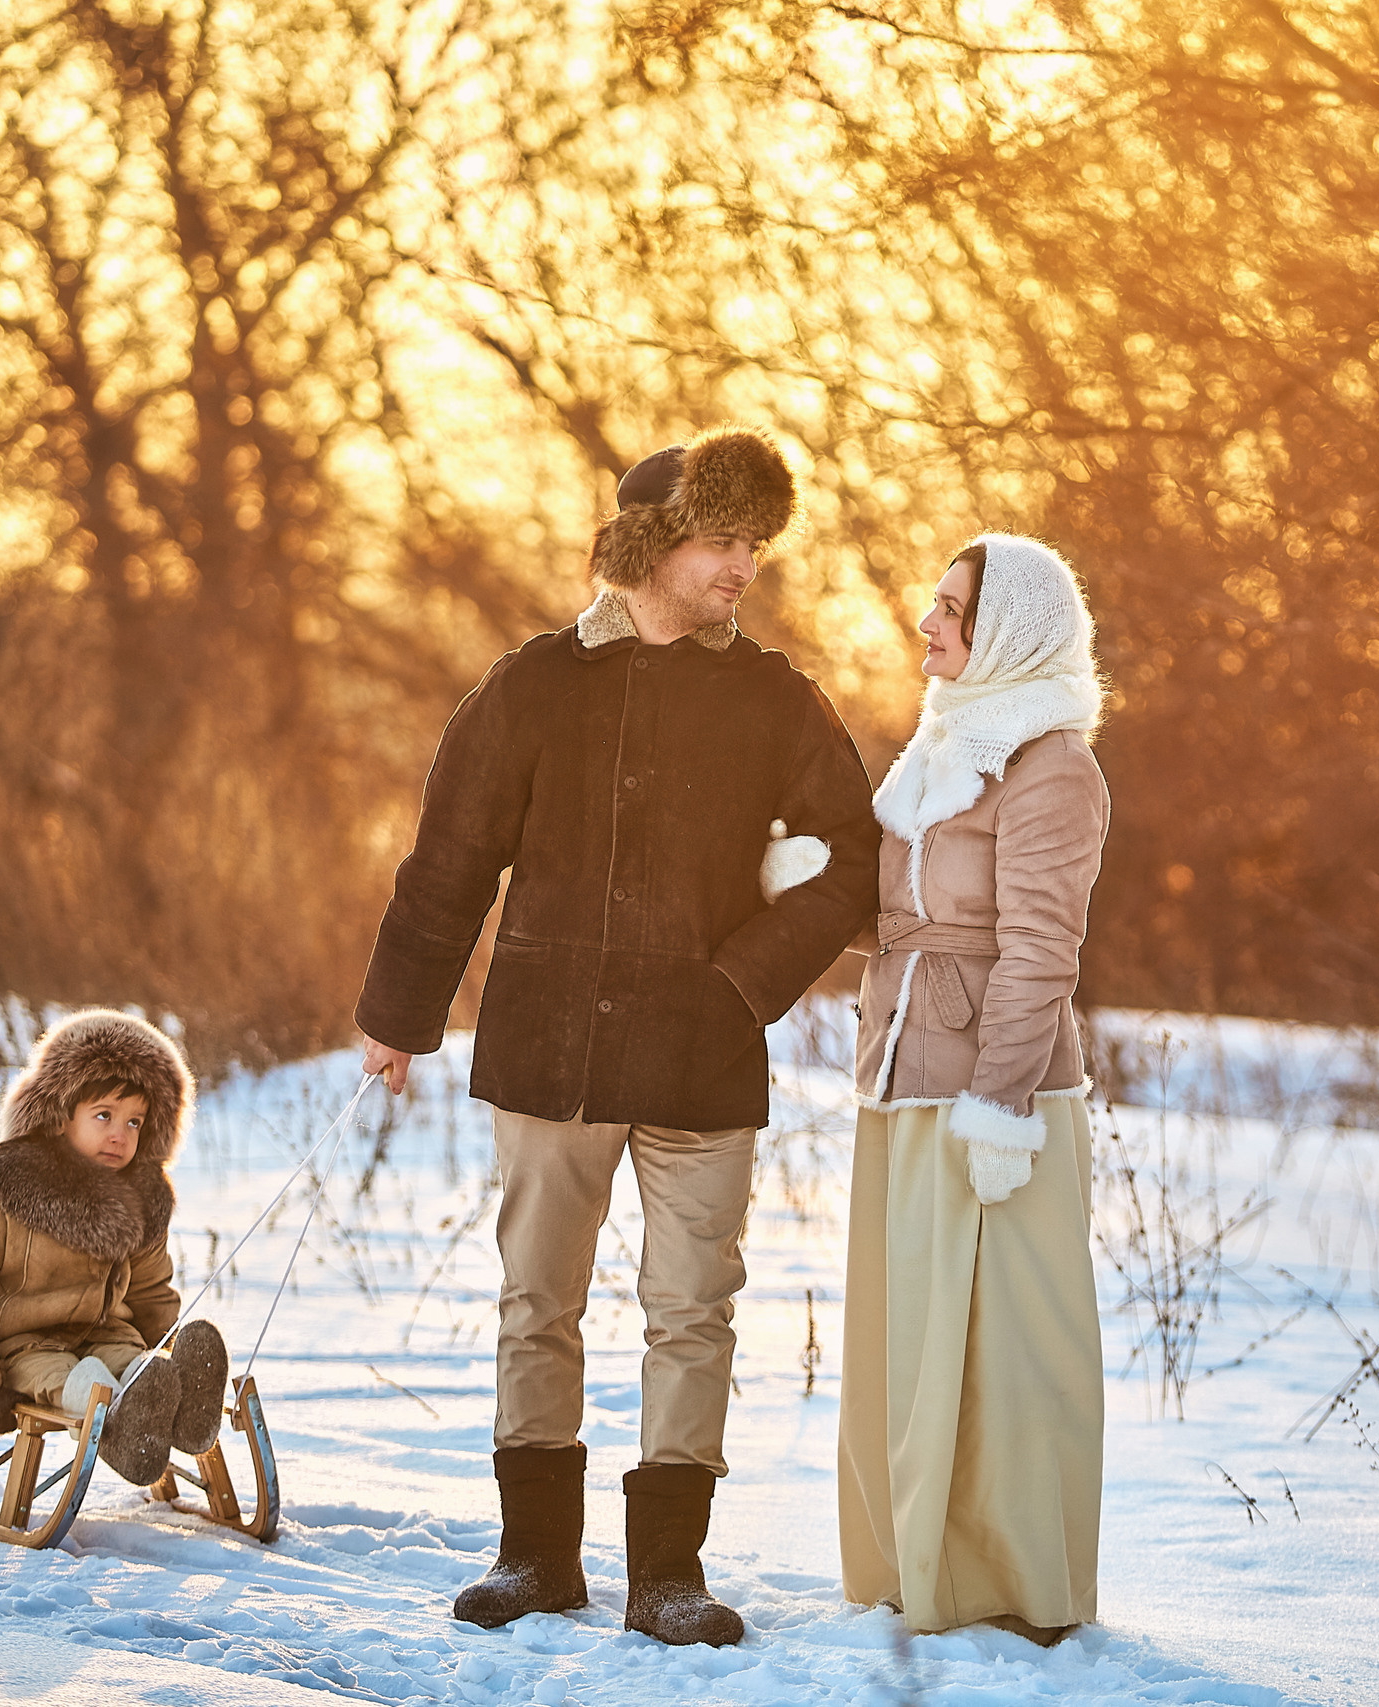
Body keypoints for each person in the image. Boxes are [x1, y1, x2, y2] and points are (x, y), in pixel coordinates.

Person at [356, 425, 880, 1647]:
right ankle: (534, 1556)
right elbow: (450, 858)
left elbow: (855, 859)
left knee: (693, 1310)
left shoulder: (773, 698)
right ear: (651, 545)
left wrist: (746, 979)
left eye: (755, 544)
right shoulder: (533, 685)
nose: (743, 567)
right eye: (723, 541)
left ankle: (670, 1576)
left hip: (702, 1050)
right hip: (551, 1045)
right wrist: (399, 1014)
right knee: (538, 1299)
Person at [838, 533, 1110, 1643]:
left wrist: (998, 1107)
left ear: (1009, 631)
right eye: (934, 602)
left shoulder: (1052, 766)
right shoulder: (941, 748)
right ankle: (921, 1569)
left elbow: (1041, 951)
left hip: (997, 1104)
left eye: (952, 607)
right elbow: (908, 920)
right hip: (901, 1085)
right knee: (910, 1343)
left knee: (1008, 1350)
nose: (927, 622)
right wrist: (803, 886)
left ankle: (1018, 1586)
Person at [0, 1009, 229, 1488]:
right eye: (105, 1116)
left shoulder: (140, 1198)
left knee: (137, 1368)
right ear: (59, 1117)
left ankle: (180, 1404)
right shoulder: (14, 1191)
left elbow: (152, 1290)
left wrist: (166, 1346)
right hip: (25, 1346)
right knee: (84, 1379)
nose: (120, 1134)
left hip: (108, 1335)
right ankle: (122, 1431)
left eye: (135, 1122)